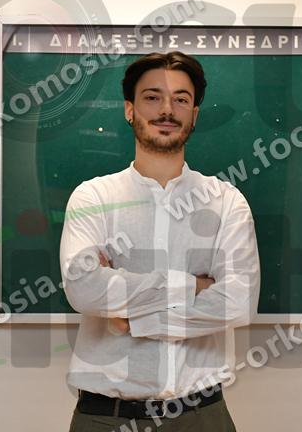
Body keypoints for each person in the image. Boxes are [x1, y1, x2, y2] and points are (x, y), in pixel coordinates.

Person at [60, 51, 261, 431]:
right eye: (152, 97)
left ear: (194, 114)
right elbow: (84, 289)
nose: (167, 109)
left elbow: (238, 303)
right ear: (129, 109)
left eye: (180, 99)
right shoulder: (93, 198)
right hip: (105, 418)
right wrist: (193, 286)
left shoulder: (226, 202)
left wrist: (130, 317)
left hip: (202, 416)